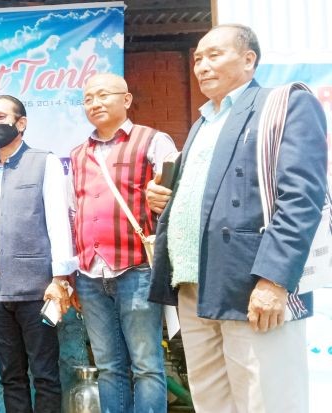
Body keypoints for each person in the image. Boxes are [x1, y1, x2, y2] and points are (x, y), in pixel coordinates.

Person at [146, 24, 327, 413]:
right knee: (212, 402)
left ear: (249, 60)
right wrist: (168, 198)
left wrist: (274, 279)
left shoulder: (285, 104)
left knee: (267, 400)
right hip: (196, 285)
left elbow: (302, 196)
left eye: (215, 55)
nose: (201, 66)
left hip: (252, 285)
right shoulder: (202, 124)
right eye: (197, 59)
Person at [69, 73, 172, 413]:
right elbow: (73, 210)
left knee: (146, 365)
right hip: (89, 274)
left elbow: (178, 193)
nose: (94, 104)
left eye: (102, 95)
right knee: (108, 366)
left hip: (137, 270)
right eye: (88, 99)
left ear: (126, 100)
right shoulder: (79, 154)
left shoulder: (153, 141)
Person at [0, 95, 76, 412]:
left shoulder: (45, 162)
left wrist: (59, 279)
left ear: (21, 123)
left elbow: (59, 221)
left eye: (0, 117)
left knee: (44, 374)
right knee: (10, 376)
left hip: (37, 289)